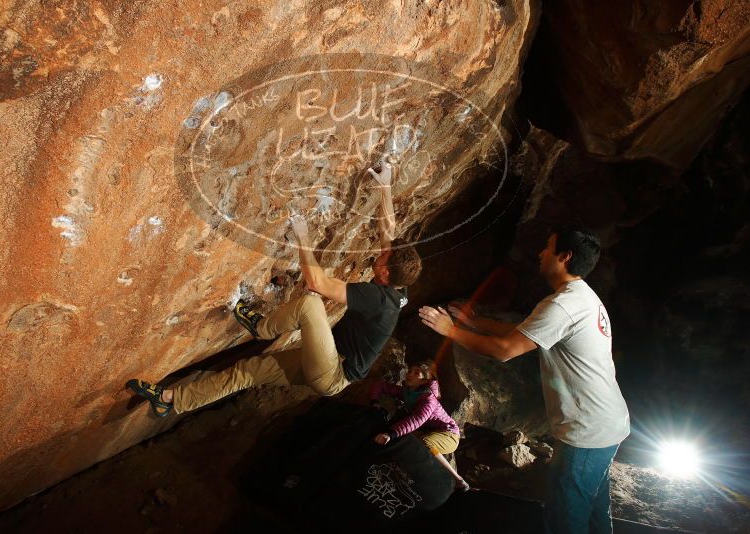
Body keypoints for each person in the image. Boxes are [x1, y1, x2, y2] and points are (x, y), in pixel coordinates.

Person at [128, 161, 422, 419]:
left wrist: (303, 237)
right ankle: (170, 401)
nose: (380, 252)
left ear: (383, 273)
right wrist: (385, 186)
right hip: (327, 360)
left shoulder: (379, 300)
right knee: (248, 371)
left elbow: (317, 284)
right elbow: (389, 232)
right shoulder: (396, 281)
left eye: (384, 256)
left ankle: (262, 327)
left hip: (332, 372)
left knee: (311, 304)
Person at [419, 224, 630, 534]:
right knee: (594, 509)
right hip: (606, 423)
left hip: (587, 431)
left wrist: (449, 330)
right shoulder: (581, 297)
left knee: (565, 519)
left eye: (548, 247)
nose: (540, 253)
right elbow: (520, 332)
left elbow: (504, 350)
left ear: (565, 256)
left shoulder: (562, 305)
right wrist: (474, 322)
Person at [371, 360, 470, 492]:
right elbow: (381, 386)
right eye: (410, 370)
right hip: (429, 431)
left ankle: (457, 479)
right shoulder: (409, 392)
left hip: (450, 435)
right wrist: (374, 402)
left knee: (424, 443)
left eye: (416, 373)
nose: (409, 373)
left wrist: (391, 433)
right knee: (407, 442)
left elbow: (417, 419)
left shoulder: (429, 399)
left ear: (424, 381)